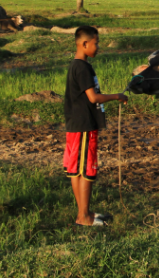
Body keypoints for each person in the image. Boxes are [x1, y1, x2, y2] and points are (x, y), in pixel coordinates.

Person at [63, 26, 127, 226]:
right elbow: (93, 97)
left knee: (77, 170)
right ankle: (83, 217)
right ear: (84, 44)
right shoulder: (81, 68)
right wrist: (117, 96)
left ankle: (84, 212)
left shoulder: (81, 66)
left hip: (77, 124)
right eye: (96, 43)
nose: (98, 47)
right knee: (86, 171)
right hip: (83, 125)